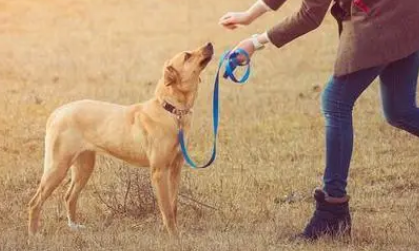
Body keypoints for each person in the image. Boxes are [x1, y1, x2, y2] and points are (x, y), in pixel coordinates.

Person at [219, 0, 419, 240]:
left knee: (335, 102)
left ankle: (332, 212)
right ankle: (333, 212)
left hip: (383, 19)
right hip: (407, 14)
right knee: (400, 110)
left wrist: (255, 42)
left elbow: (310, 15)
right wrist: (250, 14)